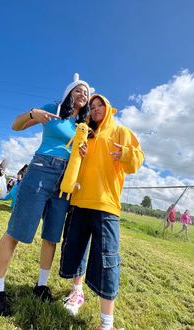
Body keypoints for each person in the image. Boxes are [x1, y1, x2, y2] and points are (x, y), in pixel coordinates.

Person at [0, 73, 93, 317]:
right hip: (42, 170)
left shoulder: (82, 125)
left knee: (52, 235)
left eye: (86, 93)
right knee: (17, 230)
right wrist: (33, 114)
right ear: (69, 93)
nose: (83, 95)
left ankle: (41, 285)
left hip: (65, 180)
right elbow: (16, 125)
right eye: (78, 90)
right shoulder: (53, 109)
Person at [59, 94, 144, 330]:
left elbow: (138, 159)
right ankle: (76, 292)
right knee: (76, 250)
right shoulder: (86, 133)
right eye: (92, 106)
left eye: (100, 106)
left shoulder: (120, 132)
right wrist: (81, 153)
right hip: (79, 201)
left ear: (109, 109)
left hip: (106, 205)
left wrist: (125, 154)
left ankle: (107, 323)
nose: (95, 109)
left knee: (108, 261)